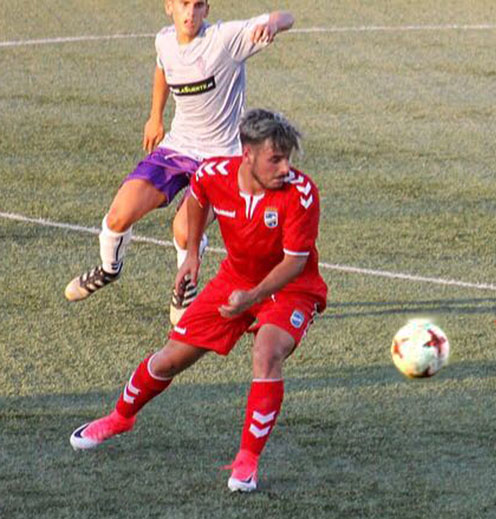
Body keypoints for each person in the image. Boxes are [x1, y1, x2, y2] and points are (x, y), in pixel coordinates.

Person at [69, 109, 327, 493]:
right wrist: (191, 253)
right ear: (248, 154)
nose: (286, 167)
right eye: (276, 158)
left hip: (291, 288)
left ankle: (246, 461)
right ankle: (120, 417)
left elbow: (295, 263)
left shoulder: (301, 194)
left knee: (267, 351)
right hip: (235, 279)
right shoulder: (213, 174)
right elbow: (197, 199)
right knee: (169, 358)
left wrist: (252, 298)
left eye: (289, 157)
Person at [64, 0, 295, 325]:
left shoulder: (226, 39)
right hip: (177, 149)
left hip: (221, 160)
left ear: (207, 9)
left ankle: (183, 287)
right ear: (168, 7)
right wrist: (155, 117)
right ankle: (108, 269)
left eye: (198, 5)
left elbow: (286, 16)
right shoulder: (164, 41)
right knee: (118, 216)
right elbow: (163, 68)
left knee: (185, 231)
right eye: (183, 4)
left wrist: (272, 25)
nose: (190, 12)